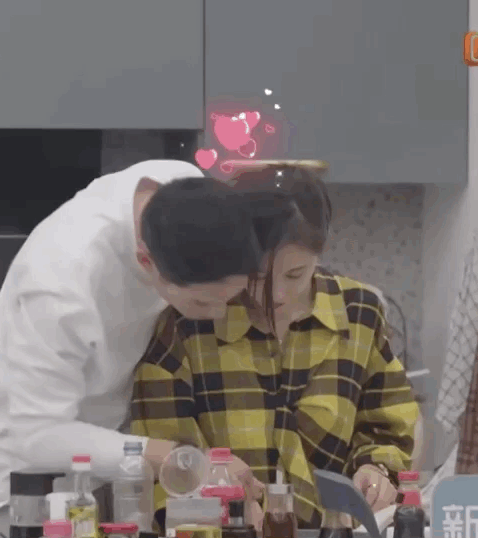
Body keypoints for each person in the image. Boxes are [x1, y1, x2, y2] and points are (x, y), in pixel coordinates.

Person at [0, 160, 267, 537]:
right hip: (2, 489)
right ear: (146, 261)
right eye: (203, 303)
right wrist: (180, 461)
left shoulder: (184, 191)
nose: (218, 314)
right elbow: (35, 437)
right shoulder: (61, 283)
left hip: (92, 475)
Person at [130, 161, 420, 529]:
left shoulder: (358, 312)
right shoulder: (189, 323)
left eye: (296, 274)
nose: (278, 294)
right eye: (256, 277)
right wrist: (219, 505)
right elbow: (163, 465)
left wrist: (376, 468)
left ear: (321, 251)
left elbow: (388, 421)